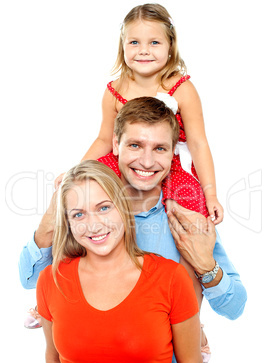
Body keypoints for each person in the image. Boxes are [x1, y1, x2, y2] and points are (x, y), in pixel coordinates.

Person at [19, 97, 247, 363]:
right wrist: (52, 217)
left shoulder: (187, 219)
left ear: (173, 151)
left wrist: (207, 267)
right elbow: (30, 278)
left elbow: (234, 308)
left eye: (160, 148)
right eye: (135, 145)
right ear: (116, 144)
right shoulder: (89, 212)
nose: (147, 161)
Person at [36, 159, 202, 363]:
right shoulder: (51, 280)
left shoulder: (171, 278)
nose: (93, 225)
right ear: (68, 223)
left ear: (122, 207)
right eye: (79, 214)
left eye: (104, 208)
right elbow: (53, 358)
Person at [55, 3, 223, 223]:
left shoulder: (182, 88)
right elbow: (105, 139)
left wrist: (211, 194)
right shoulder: (114, 91)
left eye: (154, 42)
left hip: (169, 165)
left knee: (191, 202)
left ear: (170, 46)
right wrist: (76, 172)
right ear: (122, 46)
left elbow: (198, 143)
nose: (144, 50)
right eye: (134, 42)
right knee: (90, 186)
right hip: (128, 160)